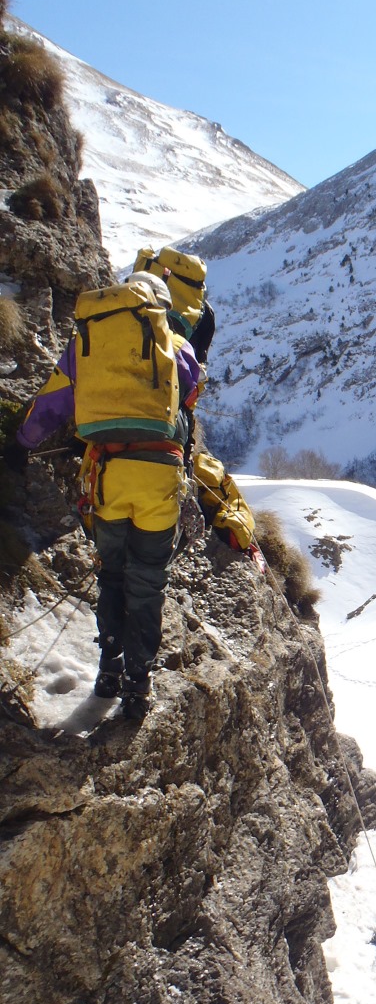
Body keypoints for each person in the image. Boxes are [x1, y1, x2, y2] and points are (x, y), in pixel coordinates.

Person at [6, 270, 202, 720]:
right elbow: (188, 398)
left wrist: (20, 444)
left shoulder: (87, 340)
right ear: (159, 307)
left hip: (106, 477)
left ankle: (108, 670)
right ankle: (139, 682)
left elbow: (52, 401)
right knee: (148, 582)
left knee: (112, 574)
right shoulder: (176, 346)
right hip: (158, 482)